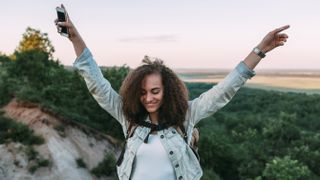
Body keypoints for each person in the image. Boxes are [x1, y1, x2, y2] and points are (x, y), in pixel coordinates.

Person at [55, 4, 289, 180]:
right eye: (143, 92)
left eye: (155, 91)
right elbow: (98, 84)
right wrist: (75, 38)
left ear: (167, 91)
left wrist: (259, 50)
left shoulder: (186, 116)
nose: (149, 98)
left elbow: (224, 90)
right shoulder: (128, 119)